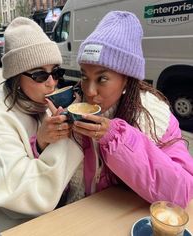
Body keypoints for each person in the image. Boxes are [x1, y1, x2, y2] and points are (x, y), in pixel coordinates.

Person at [0, 17, 83, 235]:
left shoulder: (36, 103)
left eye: (56, 72)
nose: (52, 82)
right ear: (16, 76)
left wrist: (43, 143)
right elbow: (29, 195)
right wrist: (70, 136)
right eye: (40, 74)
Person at [69, 11, 193, 208]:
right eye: (84, 76)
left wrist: (117, 138)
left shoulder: (154, 116)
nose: (90, 92)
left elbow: (182, 190)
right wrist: (43, 141)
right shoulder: (72, 105)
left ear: (127, 79)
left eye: (102, 78)